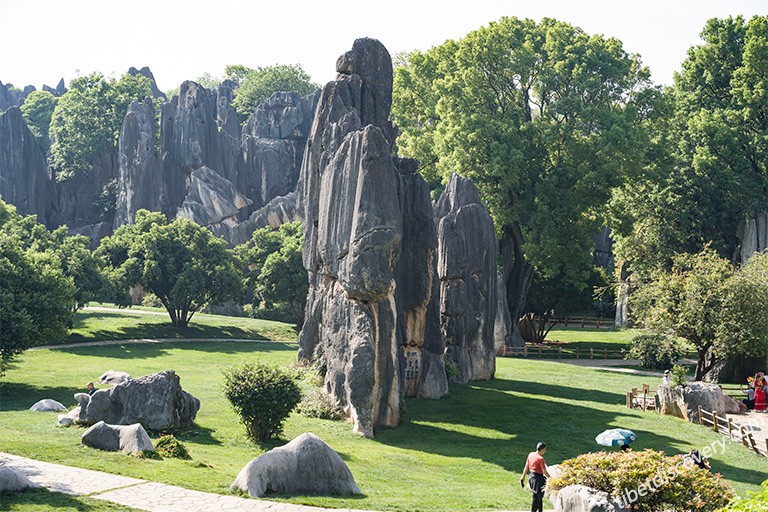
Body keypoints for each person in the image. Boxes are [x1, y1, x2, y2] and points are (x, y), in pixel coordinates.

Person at [520, 441, 551, 512]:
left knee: (538, 496)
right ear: (543, 450)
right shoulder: (540, 459)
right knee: (536, 498)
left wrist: (522, 477)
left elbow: (526, 467)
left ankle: (540, 510)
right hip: (538, 479)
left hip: (531, 477)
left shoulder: (530, 455)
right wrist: (551, 479)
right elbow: (544, 472)